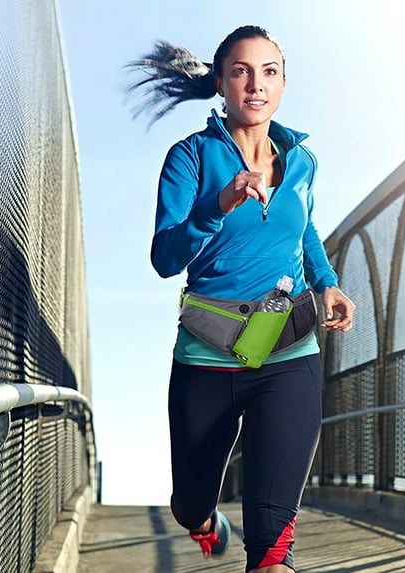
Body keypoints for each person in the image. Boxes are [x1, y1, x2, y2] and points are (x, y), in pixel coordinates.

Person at [127, 25, 355, 573]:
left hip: (288, 352)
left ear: (283, 84)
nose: (256, 84)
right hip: (207, 358)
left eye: (269, 72)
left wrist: (326, 281)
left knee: (273, 554)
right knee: (192, 501)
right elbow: (165, 257)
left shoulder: (302, 161)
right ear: (221, 83)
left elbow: (303, 230)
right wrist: (217, 206)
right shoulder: (191, 157)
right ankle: (201, 520)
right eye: (241, 72)